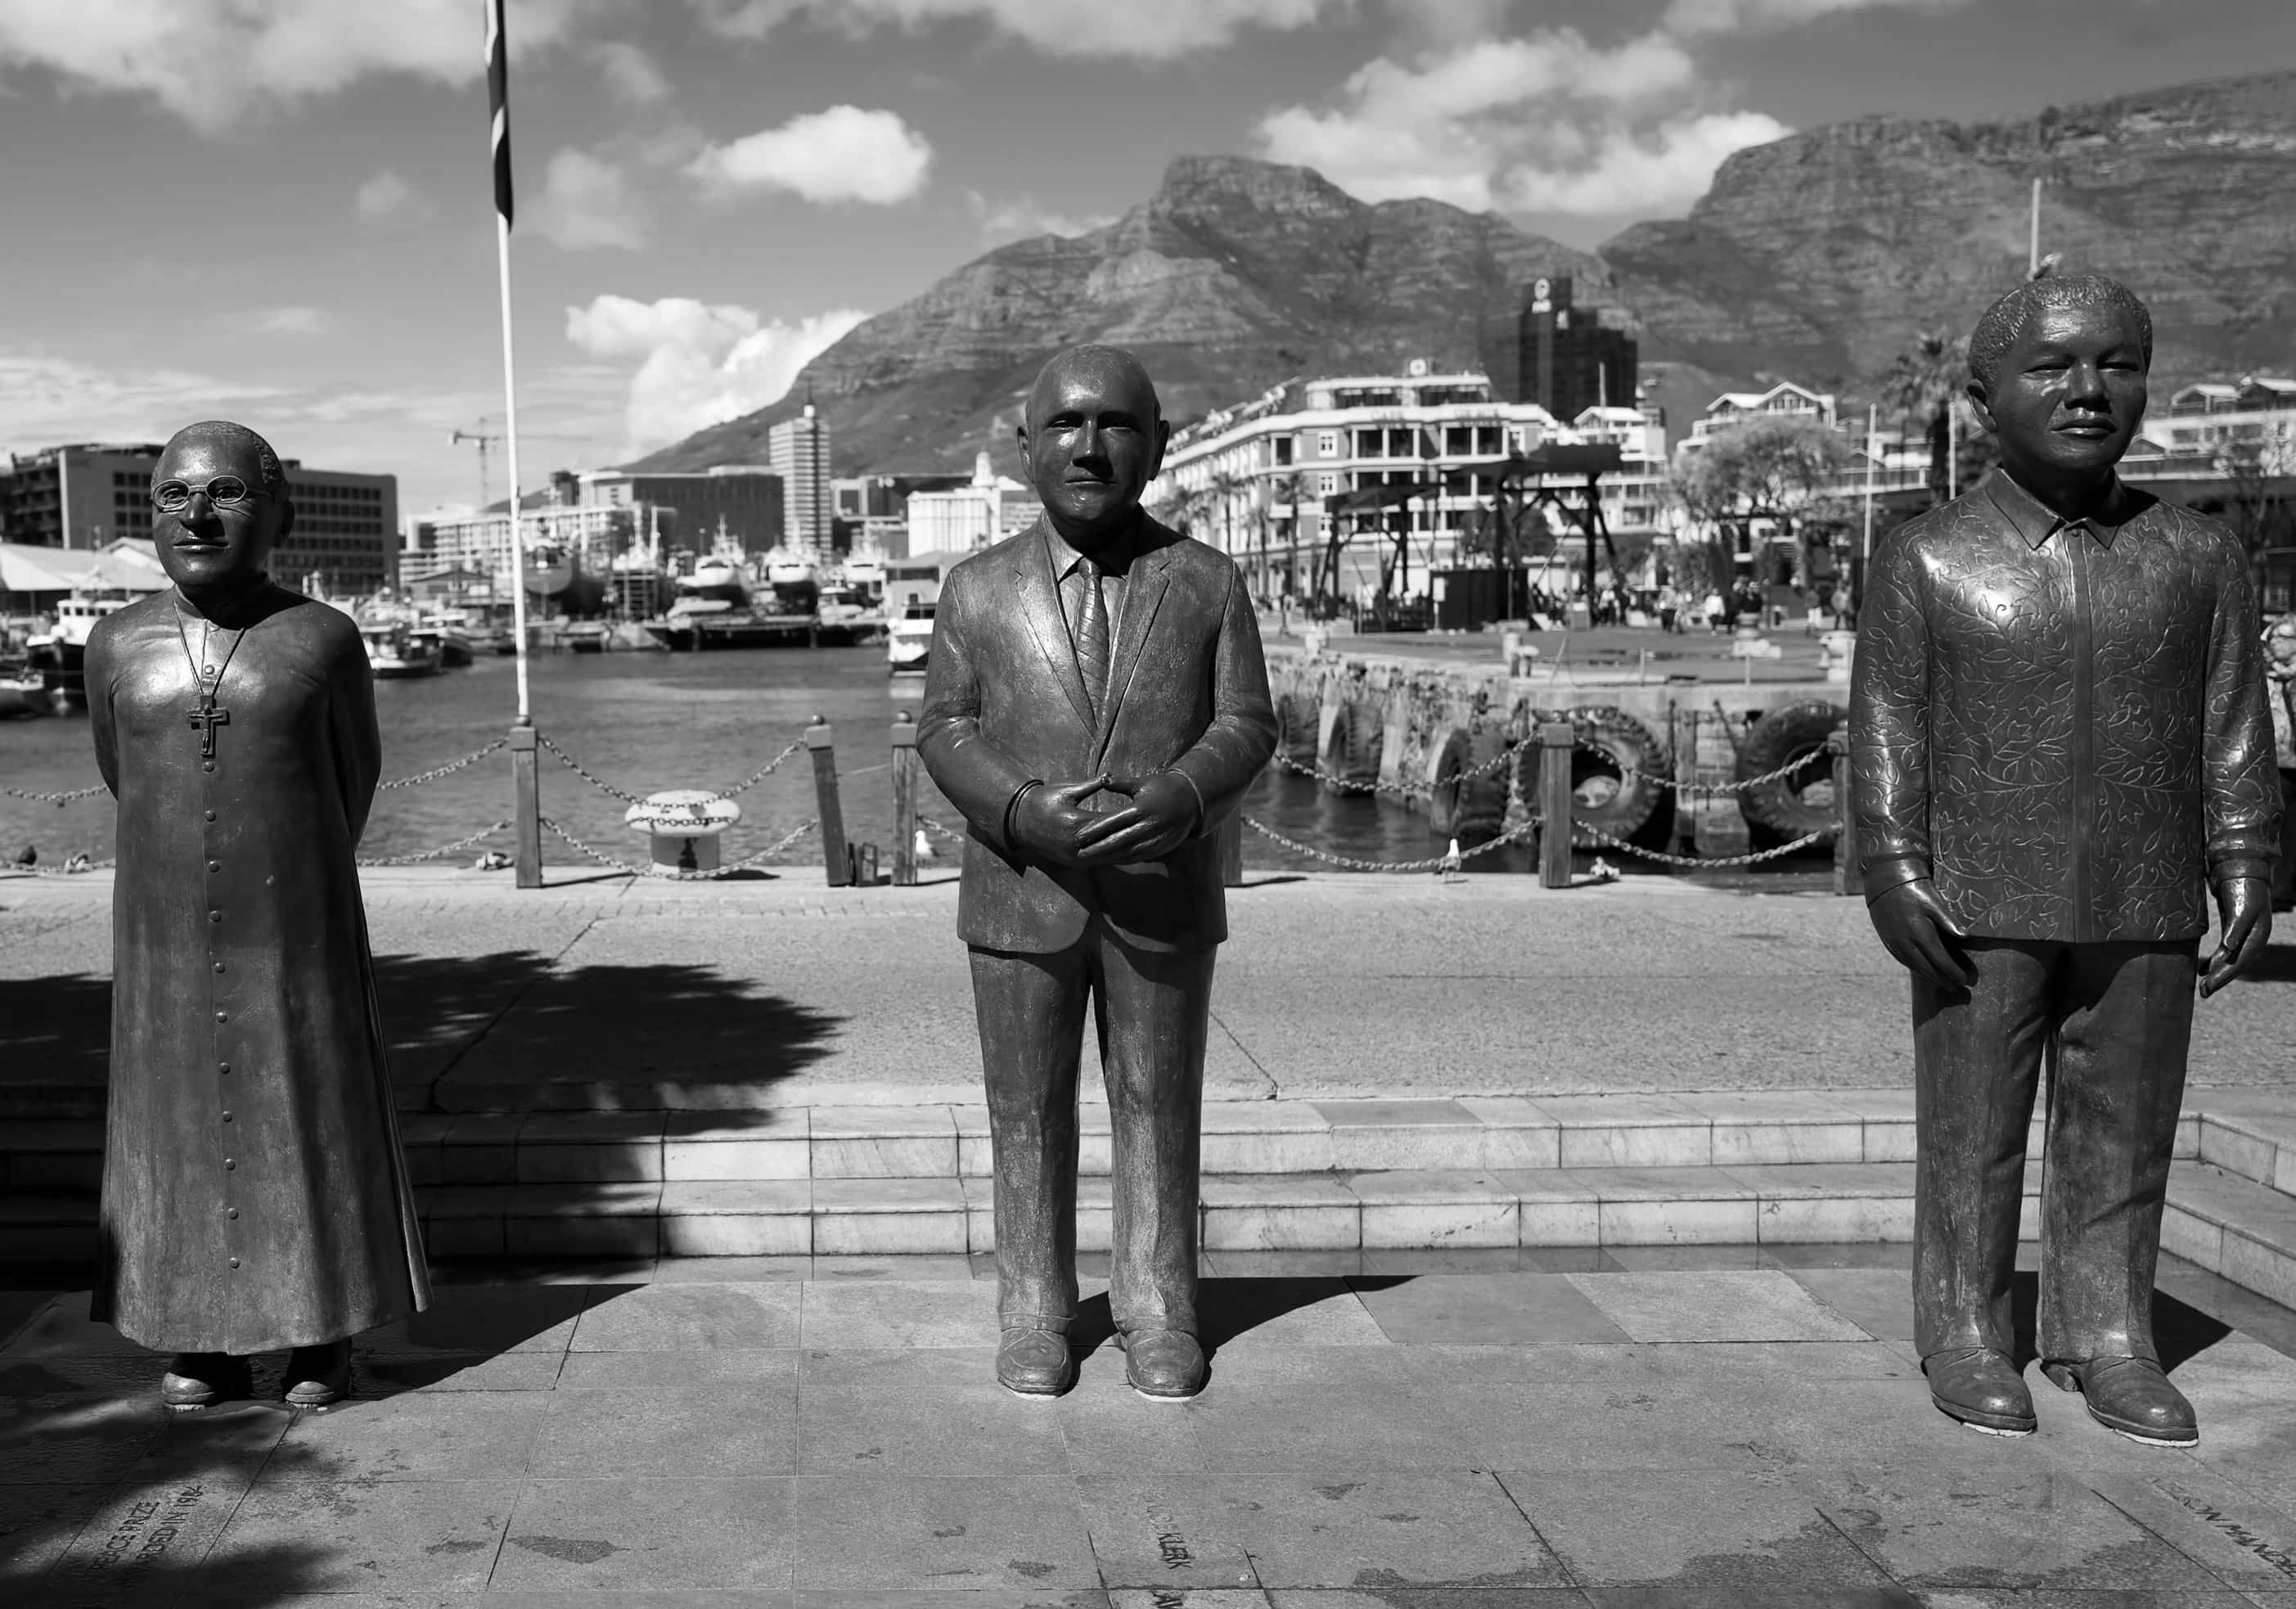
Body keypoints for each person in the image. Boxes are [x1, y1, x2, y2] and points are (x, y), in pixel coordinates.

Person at [1852, 277, 2277, 1447]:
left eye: (2118, 361)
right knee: (1972, 1129)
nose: (2088, 388)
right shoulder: (1924, 557)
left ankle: (2106, 1332)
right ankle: (1965, 1327)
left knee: (2126, 1125)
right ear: (1986, 395)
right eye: (2051, 365)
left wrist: (2245, 851)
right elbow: (1885, 724)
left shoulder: (2196, 556)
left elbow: (2232, 723)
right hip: (1975, 897)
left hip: (2143, 890)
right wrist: (1890, 866)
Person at [919, 345, 1276, 1401]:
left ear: (1158, 444)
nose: (1090, 444)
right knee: (1024, 1109)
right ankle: (1034, 1307)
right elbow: (944, 726)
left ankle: (1160, 1306)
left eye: (1116, 423)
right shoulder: (975, 589)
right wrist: (1021, 808)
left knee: (1159, 1102)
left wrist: (1185, 796)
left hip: (1161, 886)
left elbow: (1248, 720)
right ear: (1024, 447)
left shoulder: (1208, 581)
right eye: (1066, 425)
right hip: (1016, 890)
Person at [84, 421, 428, 1409]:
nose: (195, 513)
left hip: (295, 925)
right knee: (171, 1123)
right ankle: (197, 1334)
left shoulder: (325, 638)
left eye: (226, 492)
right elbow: (120, 774)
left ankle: (322, 1333)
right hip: (163, 942)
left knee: (310, 1111)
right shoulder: (113, 643)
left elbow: (351, 780)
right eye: (172, 496)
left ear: (276, 511)